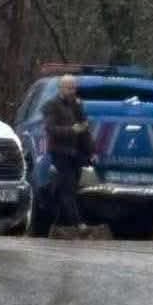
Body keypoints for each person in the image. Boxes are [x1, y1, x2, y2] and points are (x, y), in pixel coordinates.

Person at [42, 74, 91, 238]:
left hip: (75, 153)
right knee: (67, 188)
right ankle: (79, 224)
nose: (72, 91)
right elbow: (50, 129)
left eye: (74, 88)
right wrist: (71, 130)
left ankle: (55, 224)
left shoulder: (77, 105)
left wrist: (91, 151)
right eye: (69, 88)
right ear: (61, 89)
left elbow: (84, 129)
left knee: (68, 188)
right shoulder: (52, 105)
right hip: (60, 152)